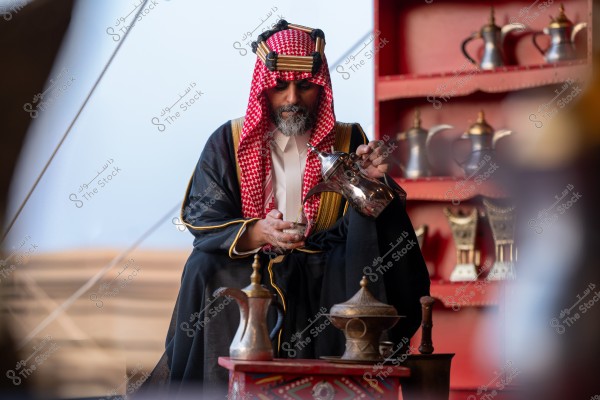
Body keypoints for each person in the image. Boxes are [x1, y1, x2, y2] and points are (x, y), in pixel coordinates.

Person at [145, 20, 430, 396]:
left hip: (322, 267)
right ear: (264, 88)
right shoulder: (228, 140)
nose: (292, 98)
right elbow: (203, 218)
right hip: (251, 263)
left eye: (305, 86)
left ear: (321, 88)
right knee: (203, 266)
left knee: (368, 249)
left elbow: (365, 228)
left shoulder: (348, 139)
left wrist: (371, 183)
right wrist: (257, 231)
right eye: (281, 86)